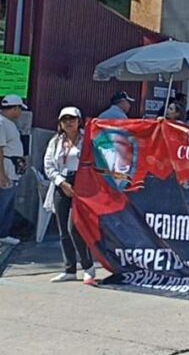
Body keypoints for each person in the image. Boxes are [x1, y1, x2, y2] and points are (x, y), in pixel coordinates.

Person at [43, 107, 96, 284]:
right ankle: (69, 269)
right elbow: (49, 165)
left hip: (82, 184)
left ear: (79, 121)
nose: (68, 122)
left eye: (72, 119)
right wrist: (61, 182)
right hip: (61, 183)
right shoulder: (56, 141)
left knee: (75, 227)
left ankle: (88, 267)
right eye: (65, 119)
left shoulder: (87, 139)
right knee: (63, 230)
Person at [0, 95, 27, 245]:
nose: (20, 112)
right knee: (3, 203)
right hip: (6, 169)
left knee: (8, 204)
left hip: (12, 168)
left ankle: (3, 232)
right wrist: (2, 175)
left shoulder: (8, 123)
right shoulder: (2, 123)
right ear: (15, 108)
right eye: (20, 109)